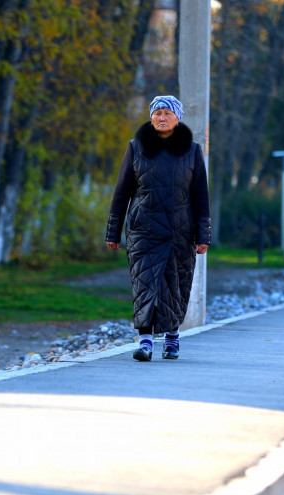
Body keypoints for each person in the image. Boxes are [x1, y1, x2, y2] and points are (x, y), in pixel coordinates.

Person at [105, 95, 211, 362]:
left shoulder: (192, 151)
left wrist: (203, 234)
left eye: (167, 113)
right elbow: (122, 192)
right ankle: (145, 342)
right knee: (144, 284)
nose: (161, 118)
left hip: (180, 230)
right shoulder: (136, 147)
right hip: (144, 229)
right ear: (151, 117)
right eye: (157, 113)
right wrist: (112, 231)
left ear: (178, 118)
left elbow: (200, 196)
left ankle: (172, 339)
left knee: (174, 285)